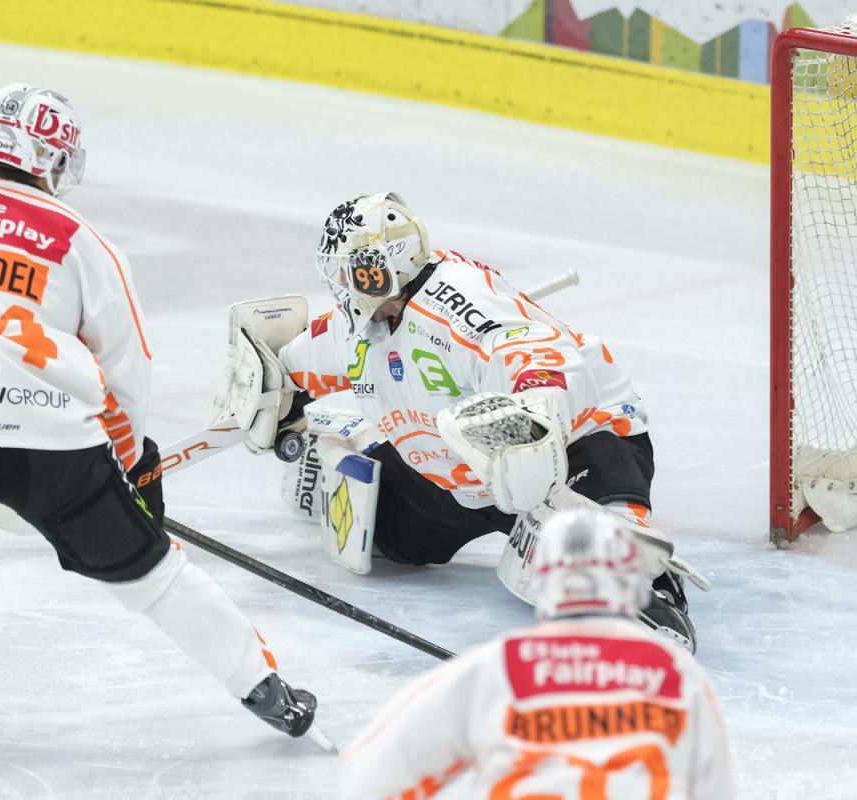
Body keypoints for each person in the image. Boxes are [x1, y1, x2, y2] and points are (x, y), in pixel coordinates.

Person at [0, 83, 319, 741]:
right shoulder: (86, 243)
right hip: (56, 450)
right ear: (56, 159)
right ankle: (269, 694)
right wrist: (132, 471)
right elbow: (125, 381)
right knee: (154, 576)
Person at [214, 192, 707, 652]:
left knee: (587, 556)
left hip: (575, 443)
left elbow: (541, 355)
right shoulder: (360, 323)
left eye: (348, 270)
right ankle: (332, 454)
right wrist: (273, 395)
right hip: (454, 473)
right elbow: (292, 365)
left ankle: (645, 584)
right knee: (383, 540)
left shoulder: (458, 300)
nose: (340, 283)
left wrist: (534, 415)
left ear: (378, 269)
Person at [338, 509, 736, 799]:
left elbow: (376, 773)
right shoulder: (673, 674)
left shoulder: (498, 667)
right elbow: (714, 786)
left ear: (543, 578)